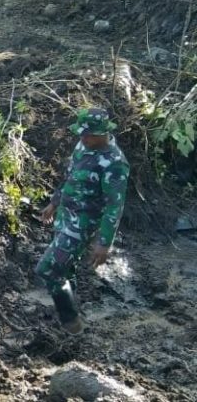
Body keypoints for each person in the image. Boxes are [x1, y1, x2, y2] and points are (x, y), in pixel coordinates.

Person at [36, 108, 130, 333]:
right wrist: (54, 203)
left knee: (47, 269)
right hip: (64, 217)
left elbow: (114, 206)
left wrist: (104, 242)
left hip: (82, 225)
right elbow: (70, 177)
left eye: (87, 135)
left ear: (102, 134)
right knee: (65, 270)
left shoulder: (114, 163)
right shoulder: (83, 147)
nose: (82, 138)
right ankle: (68, 319)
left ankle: (71, 323)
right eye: (81, 134)